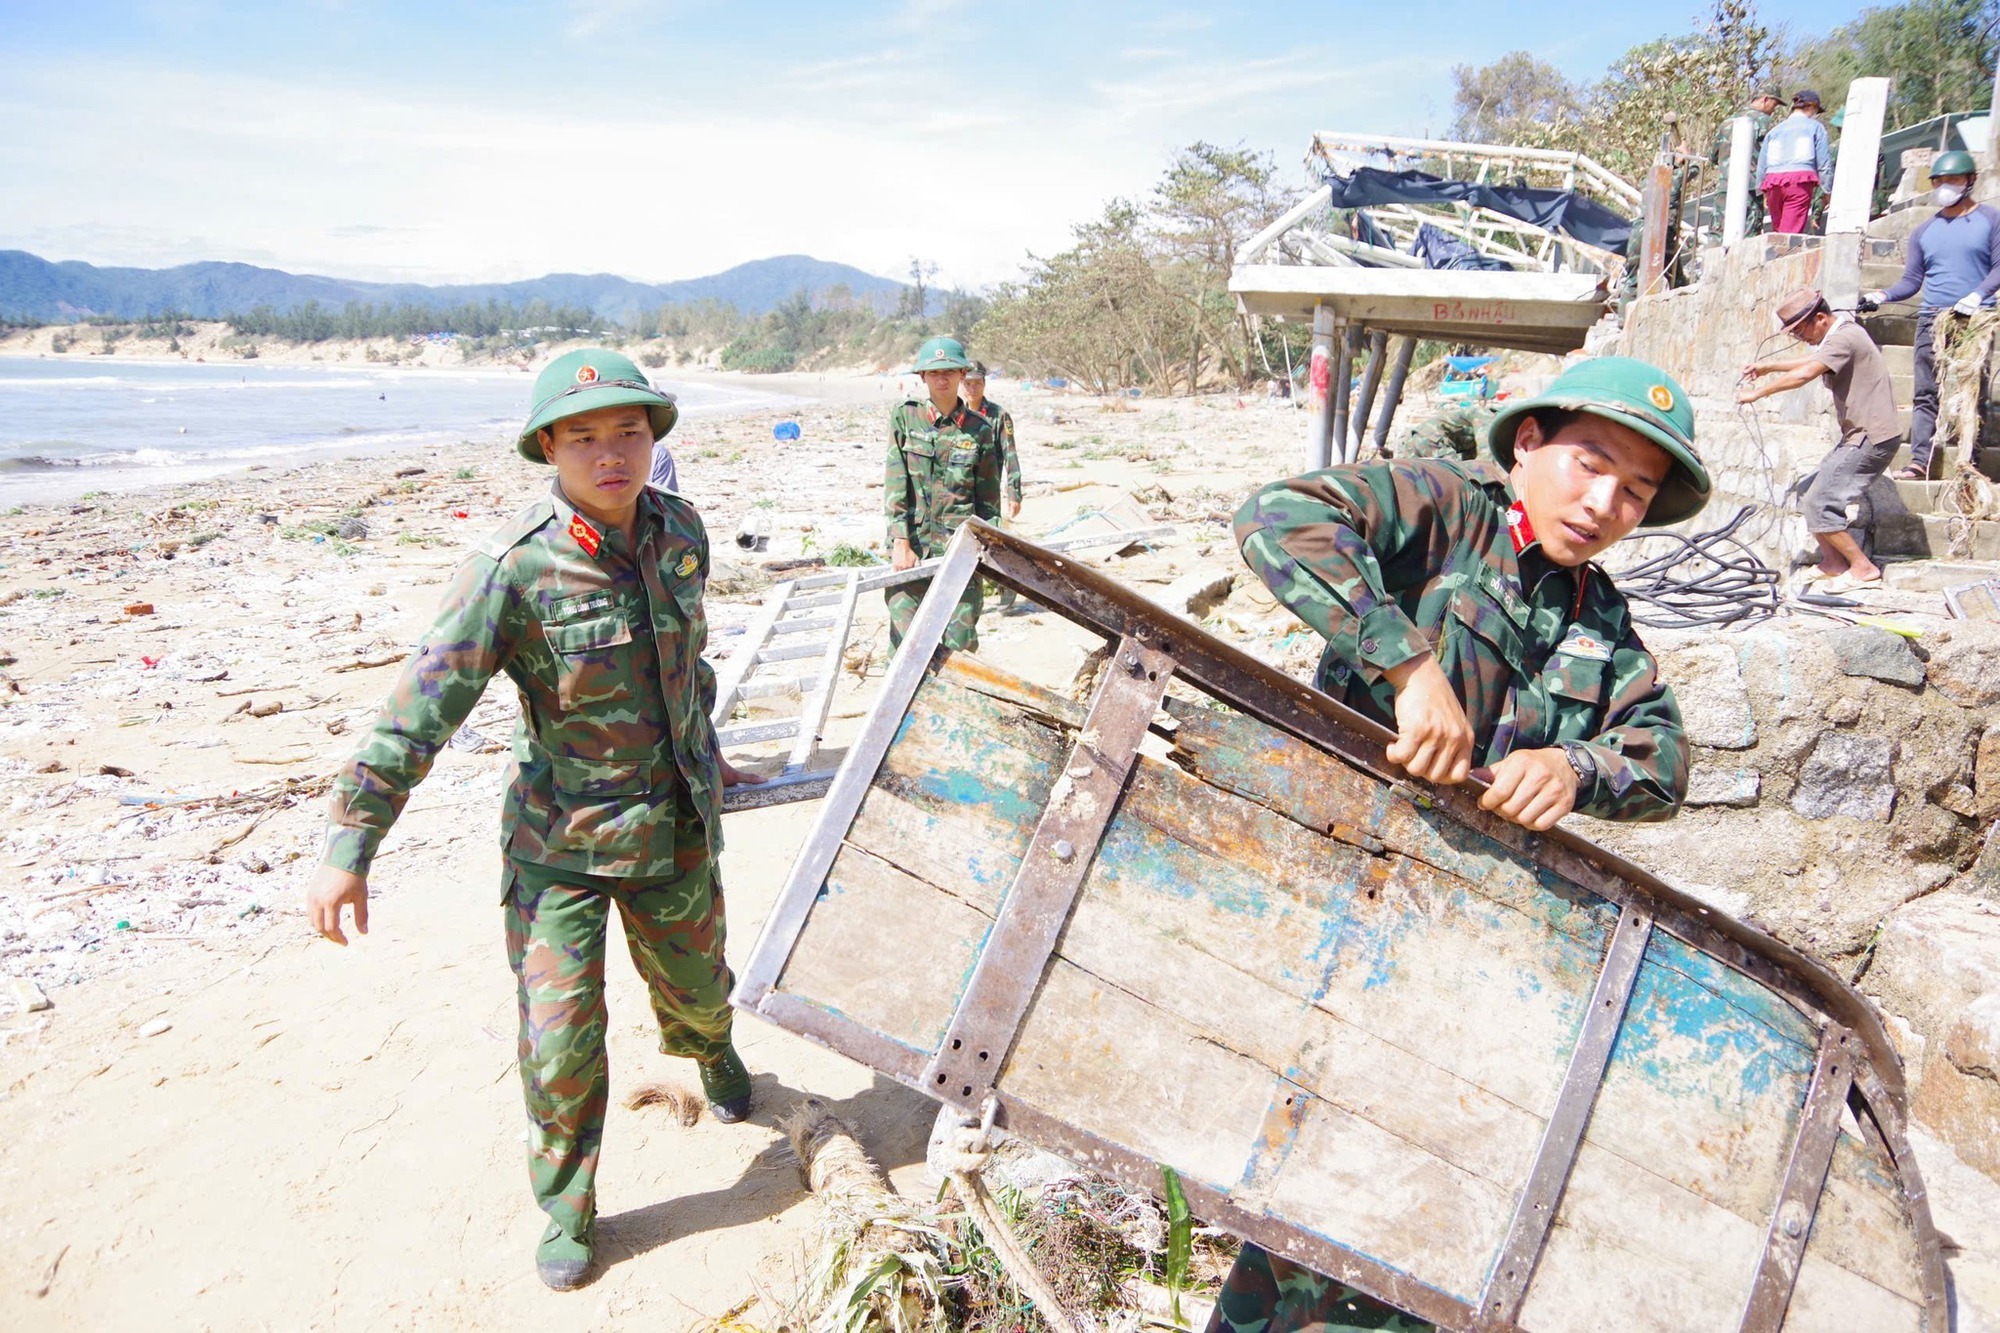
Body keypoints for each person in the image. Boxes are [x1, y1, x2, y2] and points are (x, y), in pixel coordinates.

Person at [1211, 355, 1708, 1333]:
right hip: (1333, 910)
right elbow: (1272, 515)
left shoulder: (1596, 615)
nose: (1603, 502)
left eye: (1634, 492)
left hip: (1464, 958)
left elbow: (1665, 757)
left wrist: (1576, 769)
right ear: (1527, 442)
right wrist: (1403, 662)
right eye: (1588, 464)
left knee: (1422, 1214)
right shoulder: (1440, 507)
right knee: (1302, 1196)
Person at [304, 348, 764, 1292]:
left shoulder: (682, 532)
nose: (611, 454)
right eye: (585, 437)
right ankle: (568, 1207)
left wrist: (707, 745)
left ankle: (713, 1051)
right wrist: (351, 842)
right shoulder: (511, 572)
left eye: (629, 432)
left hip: (671, 830)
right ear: (548, 448)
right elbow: (418, 707)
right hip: (558, 845)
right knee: (558, 1039)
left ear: (652, 441)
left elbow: (691, 664)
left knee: (701, 991)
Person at [1740, 289, 1902, 592]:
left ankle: (1863, 568)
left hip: (1872, 436)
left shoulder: (1846, 337)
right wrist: (1767, 367)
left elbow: (1807, 373)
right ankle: (1833, 562)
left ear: (1820, 318)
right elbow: (1813, 359)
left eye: (1801, 331)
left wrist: (1757, 393)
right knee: (1807, 490)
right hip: (1859, 434)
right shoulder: (1838, 337)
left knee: (1822, 501)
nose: (1802, 338)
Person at [1862, 148, 2000, 480]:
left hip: (1975, 320)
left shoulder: (1991, 220)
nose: (1945, 187)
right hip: (1932, 319)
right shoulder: (1924, 231)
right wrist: (1882, 294)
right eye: (1939, 181)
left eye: (1952, 180)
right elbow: (1912, 280)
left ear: (1970, 181)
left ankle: (1969, 463)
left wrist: (1977, 295)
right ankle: (1919, 461)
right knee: (1925, 392)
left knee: (1972, 394)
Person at [885, 336, 1004, 651]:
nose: (942, 378)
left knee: (960, 645)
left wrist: (986, 551)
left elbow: (989, 503)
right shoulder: (905, 417)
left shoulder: (980, 430)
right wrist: (901, 541)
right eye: (934, 372)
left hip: (960, 553)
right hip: (911, 551)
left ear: (962, 375)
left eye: (949, 371)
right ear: (922, 376)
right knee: (906, 644)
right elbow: (896, 484)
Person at [1758, 90, 1832, 235]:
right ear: (1811, 108)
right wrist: (1827, 190)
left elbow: (1762, 165)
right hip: (1799, 183)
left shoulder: (1774, 131)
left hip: (1773, 183)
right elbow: (1824, 164)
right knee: (1790, 235)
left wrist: (1764, 192)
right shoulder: (1816, 128)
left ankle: (1775, 256)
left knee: (1778, 231)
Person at [962, 360, 1021, 521]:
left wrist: (1014, 494)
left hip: (988, 496)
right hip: (959, 497)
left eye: (977, 383)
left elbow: (1010, 455)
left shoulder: (999, 416)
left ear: (984, 384)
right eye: (968, 383)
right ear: (961, 383)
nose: (973, 389)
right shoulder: (956, 415)